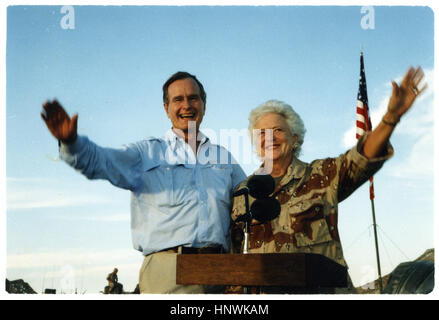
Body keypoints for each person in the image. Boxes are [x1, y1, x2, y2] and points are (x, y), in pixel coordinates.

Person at [41, 71, 246, 294]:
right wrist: (71, 143)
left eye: (193, 98)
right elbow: (101, 161)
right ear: (166, 109)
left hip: (221, 272)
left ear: (204, 105)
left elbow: (251, 198)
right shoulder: (146, 152)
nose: (186, 105)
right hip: (169, 272)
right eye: (178, 99)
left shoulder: (224, 158)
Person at [230, 66, 426, 294]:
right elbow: (233, 262)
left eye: (277, 130)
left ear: (294, 139)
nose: (270, 138)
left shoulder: (323, 174)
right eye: (262, 133)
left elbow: (363, 158)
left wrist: (391, 118)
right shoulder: (242, 193)